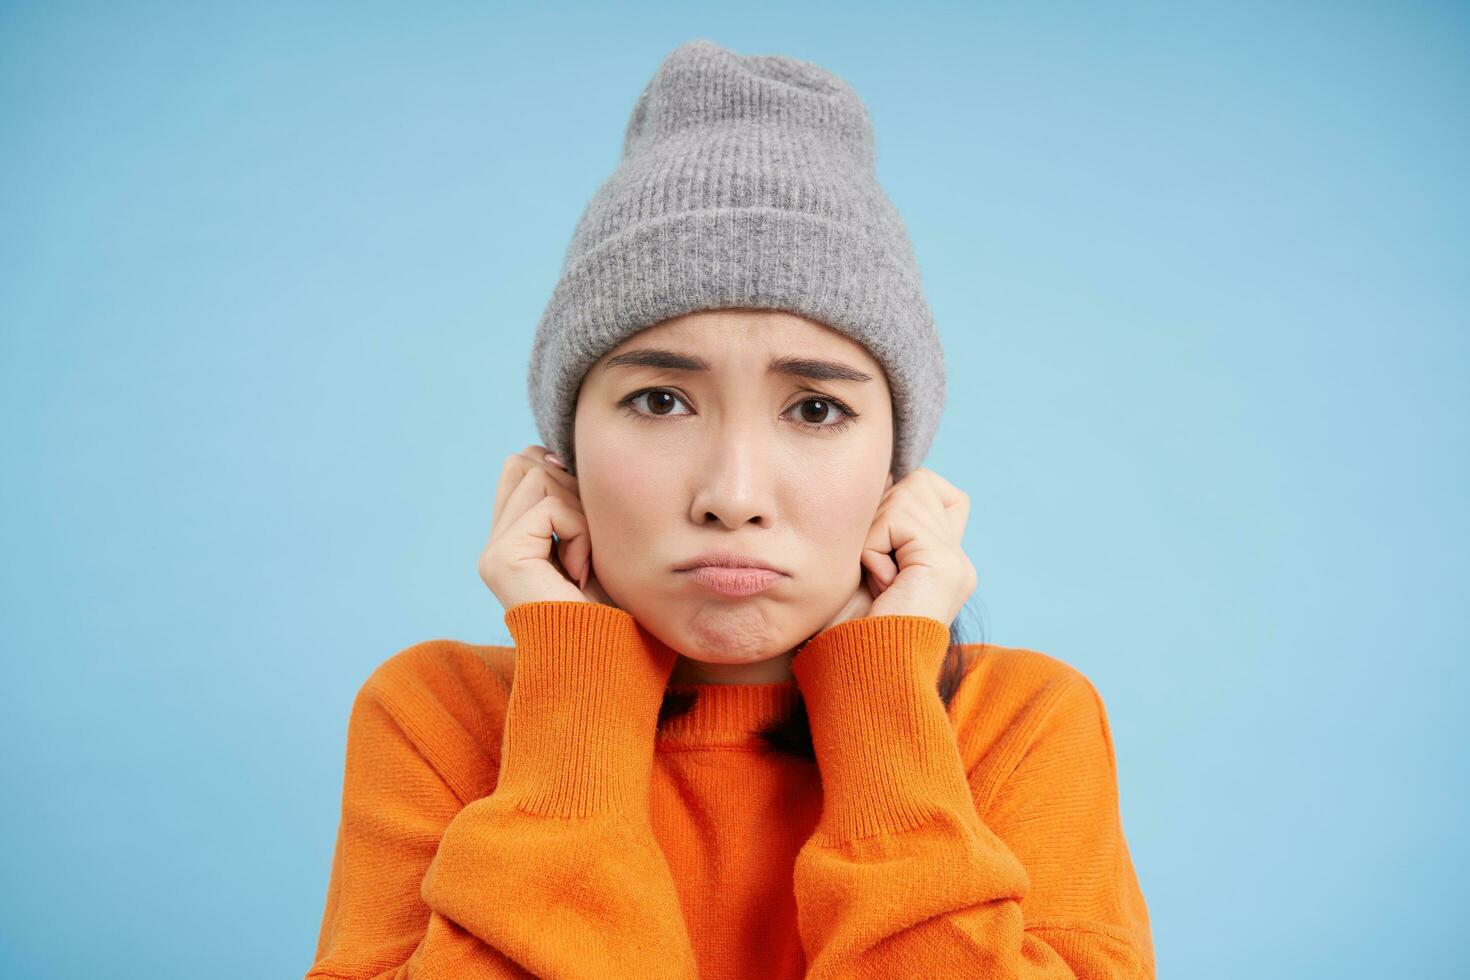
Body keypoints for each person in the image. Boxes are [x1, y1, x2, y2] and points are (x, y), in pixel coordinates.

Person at [306, 38, 1155, 979]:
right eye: (660, 401)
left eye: (817, 409)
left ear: (898, 474)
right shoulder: (439, 719)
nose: (734, 497)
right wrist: (577, 710)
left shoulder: (1019, 723)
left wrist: (882, 701)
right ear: (564, 456)